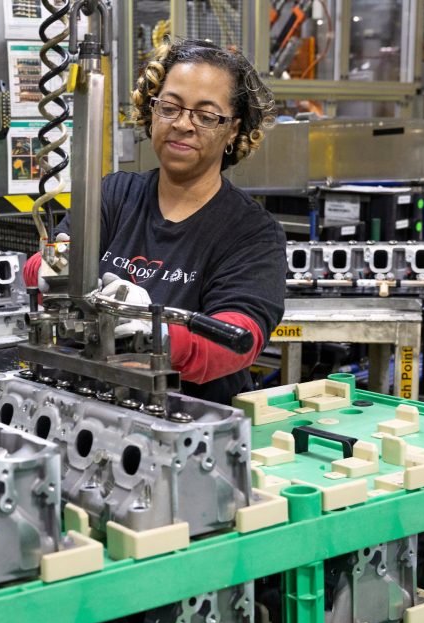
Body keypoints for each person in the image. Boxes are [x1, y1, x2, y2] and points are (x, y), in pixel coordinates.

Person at [24, 38, 287, 405]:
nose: (183, 124)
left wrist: (157, 332)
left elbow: (240, 337)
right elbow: (53, 257)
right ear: (152, 111)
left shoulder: (251, 232)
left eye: (206, 115)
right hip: (88, 403)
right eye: (170, 106)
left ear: (232, 130)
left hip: (189, 419)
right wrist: (51, 270)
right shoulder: (115, 195)